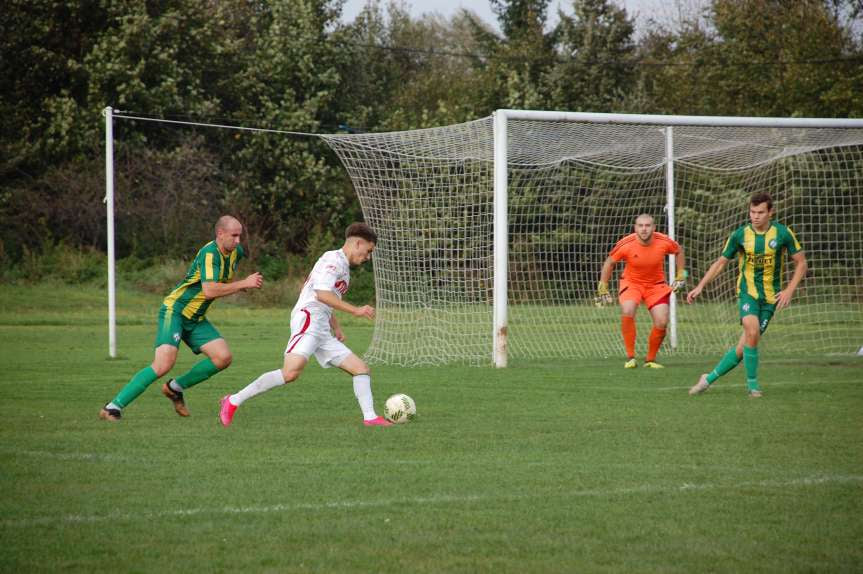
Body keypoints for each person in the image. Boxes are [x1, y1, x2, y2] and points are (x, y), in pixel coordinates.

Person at [219, 222, 392, 427]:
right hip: (309, 318)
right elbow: (321, 294)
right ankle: (232, 401)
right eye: (368, 251)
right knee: (291, 372)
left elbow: (324, 296)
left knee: (360, 369)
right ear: (358, 243)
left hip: (321, 326)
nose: (368, 257)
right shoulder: (333, 261)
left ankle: (370, 418)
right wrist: (356, 310)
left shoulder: (343, 267)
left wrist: (335, 326)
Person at [99, 216, 263, 421]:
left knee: (223, 357)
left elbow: (222, 281)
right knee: (163, 364)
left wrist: (240, 285)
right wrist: (242, 284)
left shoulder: (235, 253)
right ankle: (113, 407)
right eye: (234, 235)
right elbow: (210, 290)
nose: (239, 241)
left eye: (240, 235)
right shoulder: (209, 253)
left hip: (195, 318)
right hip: (175, 311)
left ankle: (174, 388)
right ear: (220, 234)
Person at [687, 192, 807, 398]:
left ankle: (707, 379)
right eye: (752, 212)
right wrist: (700, 286)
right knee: (752, 331)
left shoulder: (782, 233)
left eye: (760, 212)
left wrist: (789, 290)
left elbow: (801, 262)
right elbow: (721, 263)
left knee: (744, 347)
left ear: (771, 212)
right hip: (747, 293)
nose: (755, 216)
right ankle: (753, 387)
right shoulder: (740, 235)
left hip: (770, 298)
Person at [597, 214, 686, 369]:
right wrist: (602, 286)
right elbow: (609, 262)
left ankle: (650, 360)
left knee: (662, 321)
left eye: (647, 225)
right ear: (635, 228)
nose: (644, 229)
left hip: (656, 286)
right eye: (640, 225)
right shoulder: (626, 243)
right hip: (632, 284)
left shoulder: (663, 241)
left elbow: (679, 251)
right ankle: (630, 358)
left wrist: (681, 275)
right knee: (628, 309)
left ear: (654, 227)